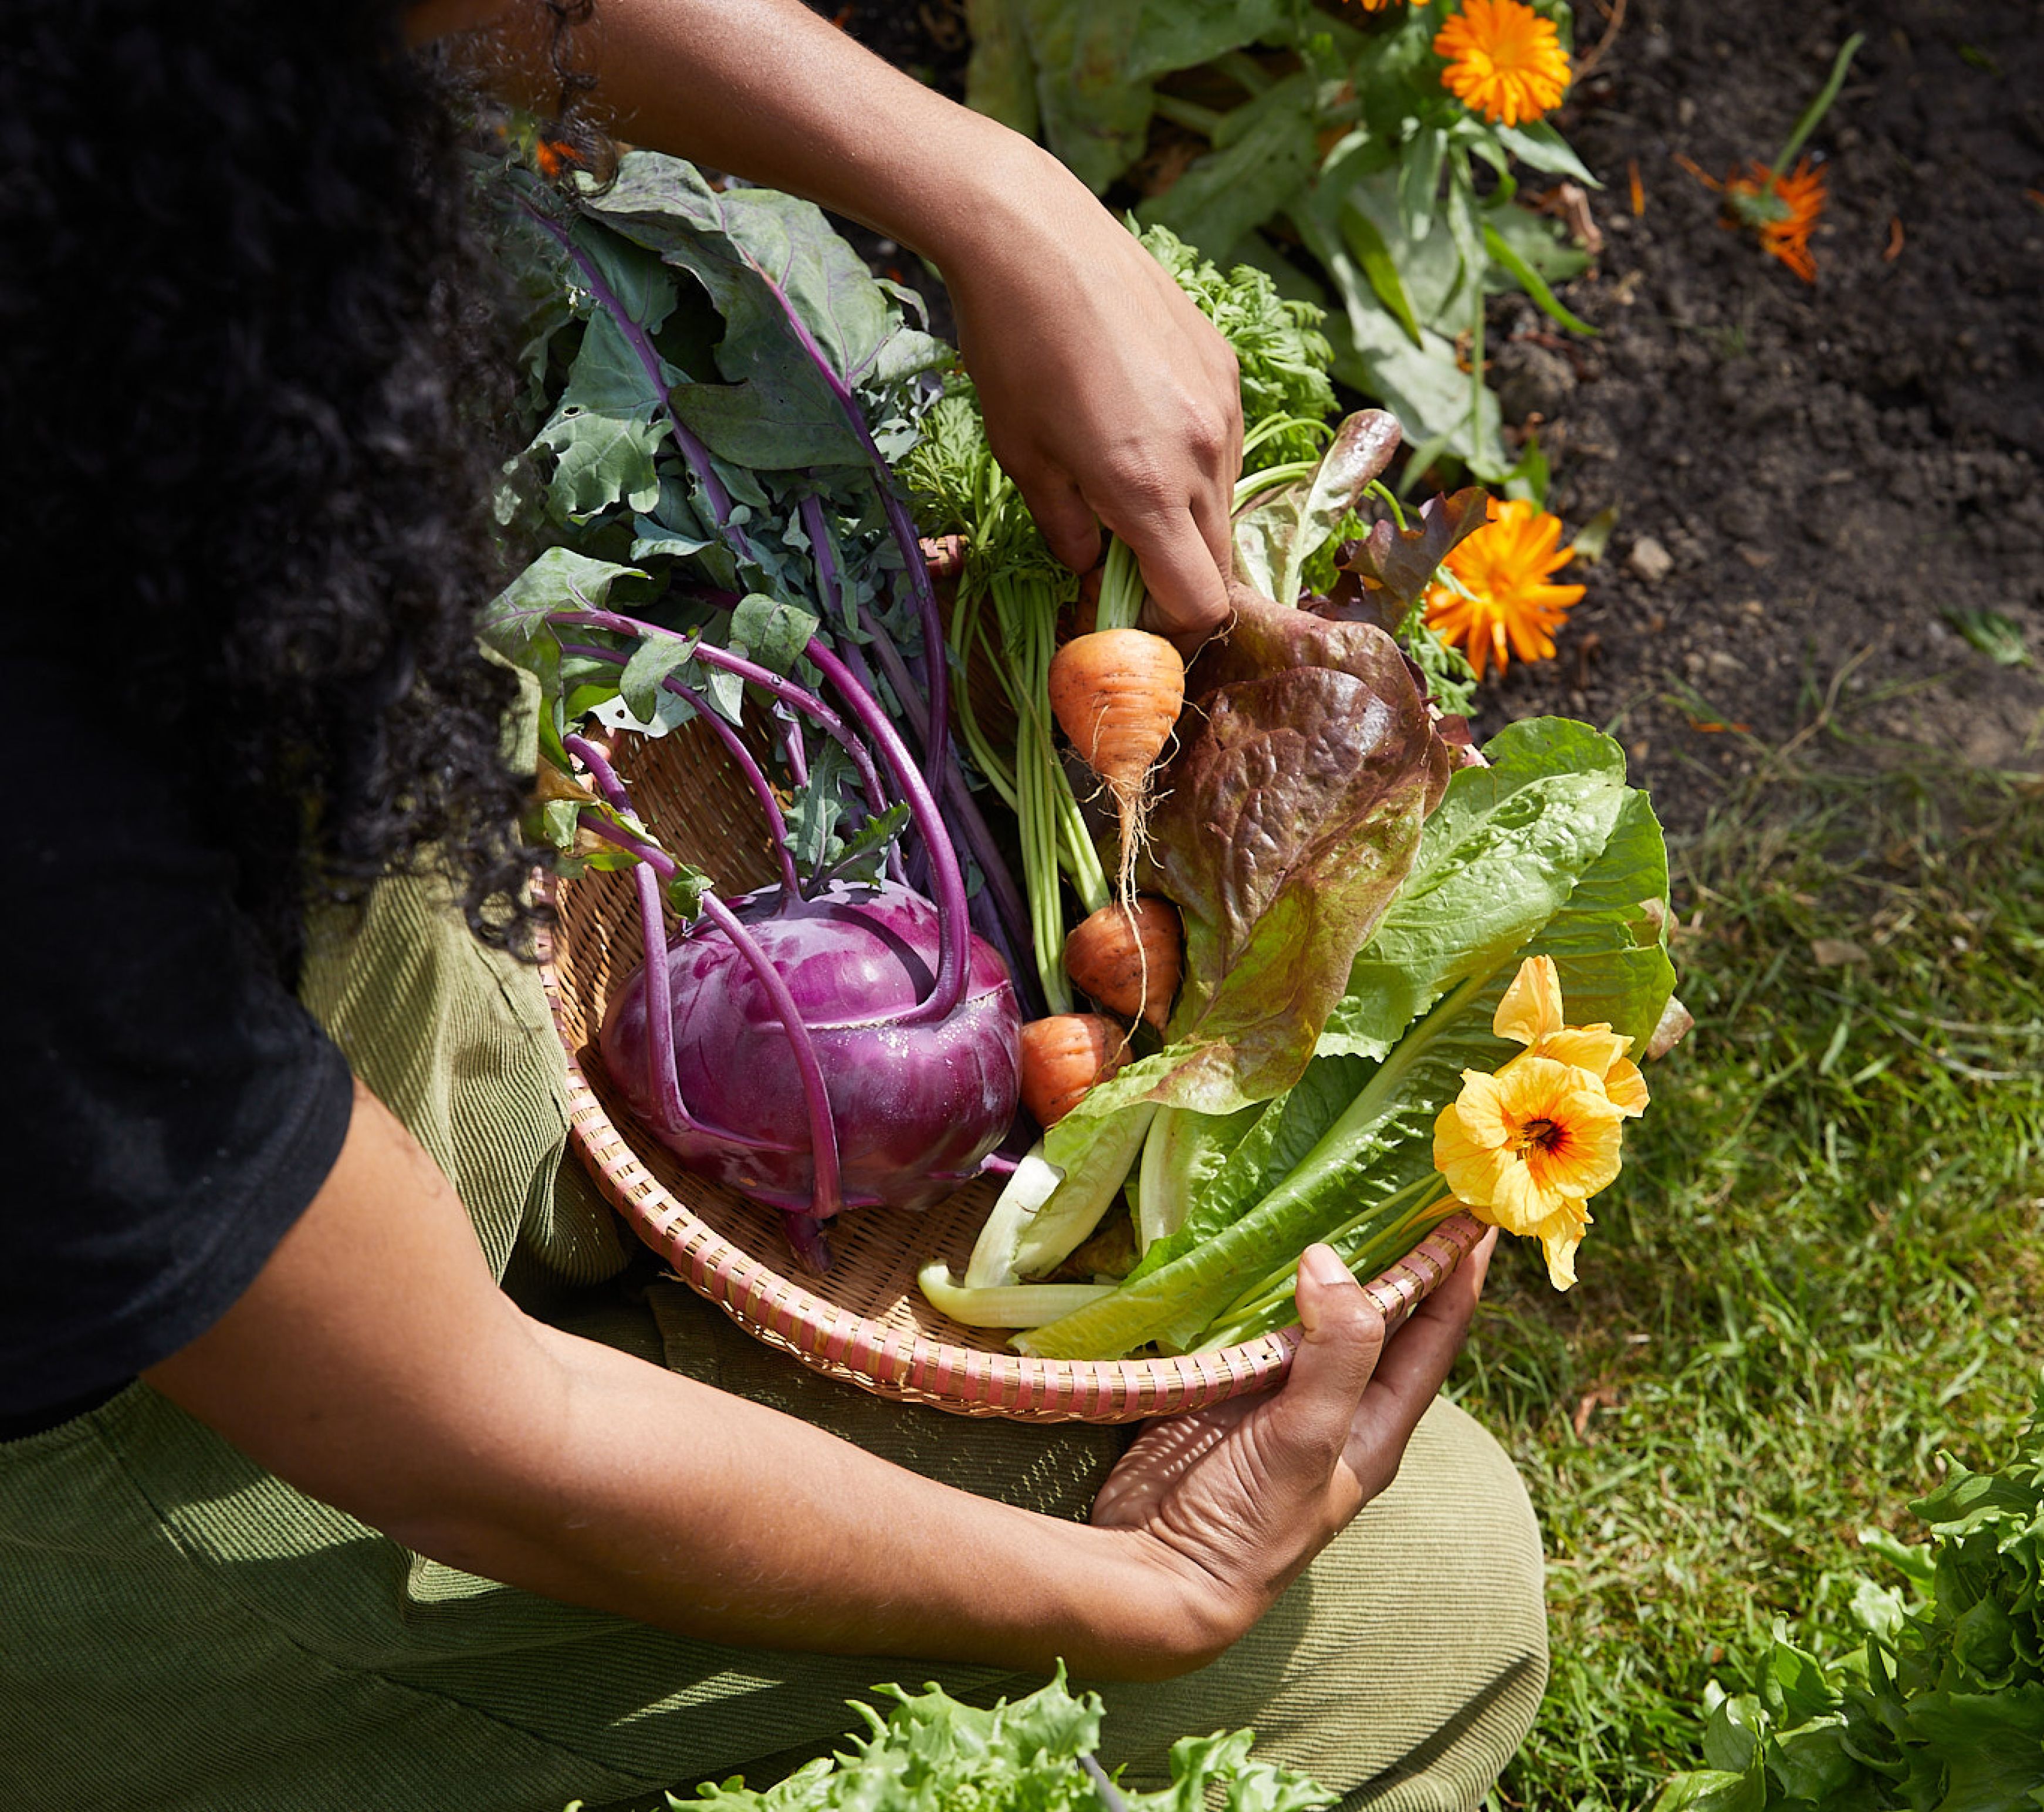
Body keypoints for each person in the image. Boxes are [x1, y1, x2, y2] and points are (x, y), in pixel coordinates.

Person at [0, 3, 1548, 1808]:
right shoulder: (41, 802)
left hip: (187, 1116)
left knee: (463, 804)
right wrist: (1149, 1587)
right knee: (1418, 1592)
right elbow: (479, 1442)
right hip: (127, 1459)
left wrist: (994, 193)